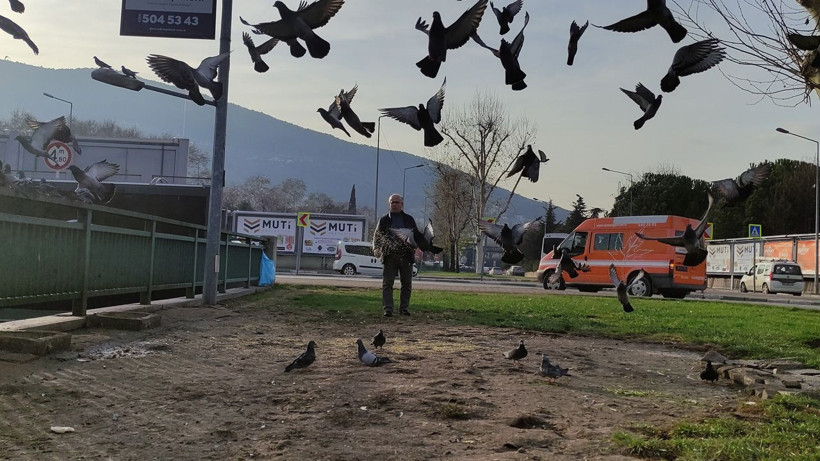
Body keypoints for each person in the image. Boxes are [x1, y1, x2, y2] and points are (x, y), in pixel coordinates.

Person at [373, 194, 417, 317]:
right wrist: (376, 248)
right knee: (387, 283)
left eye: (397, 202)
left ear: (402, 204)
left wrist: (417, 248)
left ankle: (404, 309)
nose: (394, 204)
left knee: (407, 284)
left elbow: (415, 236)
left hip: (406, 256)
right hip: (389, 256)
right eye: (392, 202)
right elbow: (377, 235)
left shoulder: (409, 219)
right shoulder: (384, 220)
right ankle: (388, 309)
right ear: (389, 204)